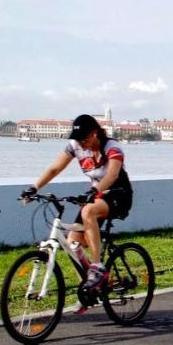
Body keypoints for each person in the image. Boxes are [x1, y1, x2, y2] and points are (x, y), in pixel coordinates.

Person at [21, 114, 133, 290]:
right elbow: (54, 168)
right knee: (73, 244)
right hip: (96, 197)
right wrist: (34, 188)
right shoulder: (75, 146)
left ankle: (97, 267)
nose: (80, 143)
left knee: (88, 211)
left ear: (94, 134)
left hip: (118, 194)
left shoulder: (112, 147)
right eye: (77, 139)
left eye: (84, 139)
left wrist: (94, 191)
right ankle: (94, 287)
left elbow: (112, 175)